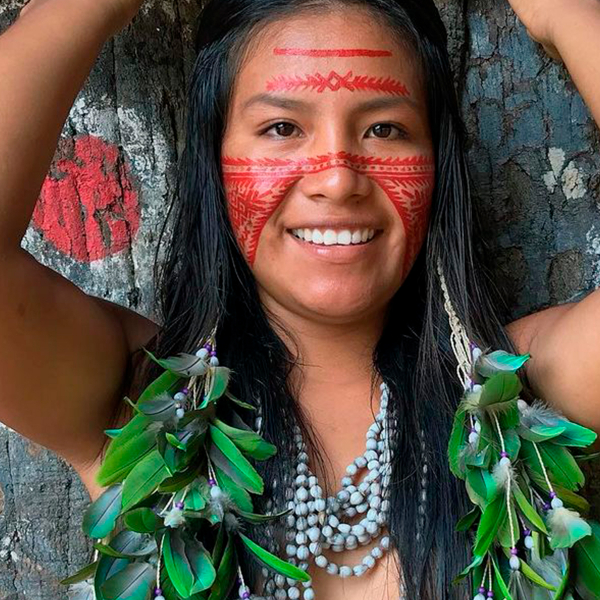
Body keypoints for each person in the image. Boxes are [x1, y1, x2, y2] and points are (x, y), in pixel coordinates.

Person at [0, 0, 599, 598]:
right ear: (214, 161)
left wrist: (570, 16)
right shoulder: (139, 403)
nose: (338, 178)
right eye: (282, 128)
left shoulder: (524, 393)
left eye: (384, 129)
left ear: (438, 162)